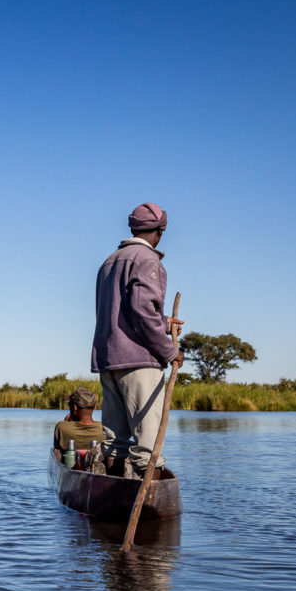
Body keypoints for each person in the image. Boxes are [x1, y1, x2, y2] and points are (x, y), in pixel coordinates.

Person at [91, 203, 183, 479]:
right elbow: (143, 311)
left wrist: (164, 323)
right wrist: (170, 351)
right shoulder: (148, 260)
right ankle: (148, 509)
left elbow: (123, 311)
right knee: (148, 448)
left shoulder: (109, 261)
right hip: (139, 362)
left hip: (109, 359)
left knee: (115, 443)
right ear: (159, 232)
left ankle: (113, 502)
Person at [53, 387, 106, 456]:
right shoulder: (104, 429)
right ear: (94, 406)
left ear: (75, 407)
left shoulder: (61, 426)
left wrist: (67, 422)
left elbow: (57, 448)